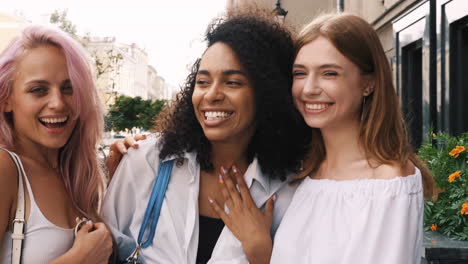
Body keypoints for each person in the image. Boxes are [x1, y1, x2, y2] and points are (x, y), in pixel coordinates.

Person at [209, 13, 436, 264]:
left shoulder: (388, 183)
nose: (309, 89)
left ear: (368, 83)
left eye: (329, 73)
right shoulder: (301, 176)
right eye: (300, 73)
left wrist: (261, 252)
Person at [101, 6, 310, 264]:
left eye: (232, 82)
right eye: (203, 82)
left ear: (266, 94)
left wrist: (262, 254)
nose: (211, 95)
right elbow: (102, 248)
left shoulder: (290, 188)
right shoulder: (146, 162)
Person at [0, 25, 114, 263]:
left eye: (68, 88)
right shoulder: (5, 169)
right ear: (6, 99)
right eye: (39, 90)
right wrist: (81, 258)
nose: (58, 103)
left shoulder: (78, 175)